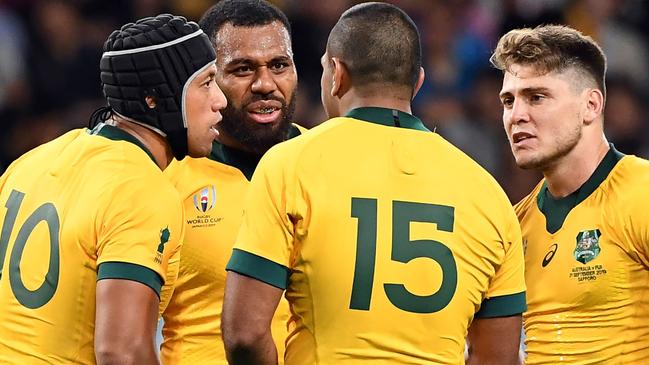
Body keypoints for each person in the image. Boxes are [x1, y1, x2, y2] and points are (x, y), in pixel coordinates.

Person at [222, 3, 526, 364]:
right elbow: (499, 359)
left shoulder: (291, 164)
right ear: (418, 82)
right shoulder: (488, 193)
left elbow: (246, 334)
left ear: (336, 74)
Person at [0, 14, 226, 364]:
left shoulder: (30, 162)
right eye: (206, 83)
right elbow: (122, 351)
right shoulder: (141, 188)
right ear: (155, 99)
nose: (220, 101)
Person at [491, 25, 649, 364]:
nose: (516, 115)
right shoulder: (514, 224)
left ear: (590, 106)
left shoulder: (641, 193)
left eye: (536, 97)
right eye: (508, 100)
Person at [160, 1, 301, 364]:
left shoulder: (330, 161)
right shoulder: (166, 178)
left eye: (279, 65)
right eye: (242, 69)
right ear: (208, 79)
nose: (265, 84)